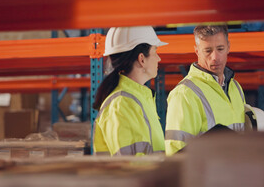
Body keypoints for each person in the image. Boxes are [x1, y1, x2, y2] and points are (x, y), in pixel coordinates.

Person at [164, 24, 246, 156]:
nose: (215, 57)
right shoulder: (185, 93)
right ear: (197, 51)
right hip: (207, 175)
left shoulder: (235, 88)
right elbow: (177, 155)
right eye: (207, 51)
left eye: (220, 49)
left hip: (234, 172)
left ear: (228, 47)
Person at [93, 26, 168, 156]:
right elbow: (130, 165)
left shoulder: (138, 98)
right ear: (142, 59)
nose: (159, 58)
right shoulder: (122, 104)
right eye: (155, 51)